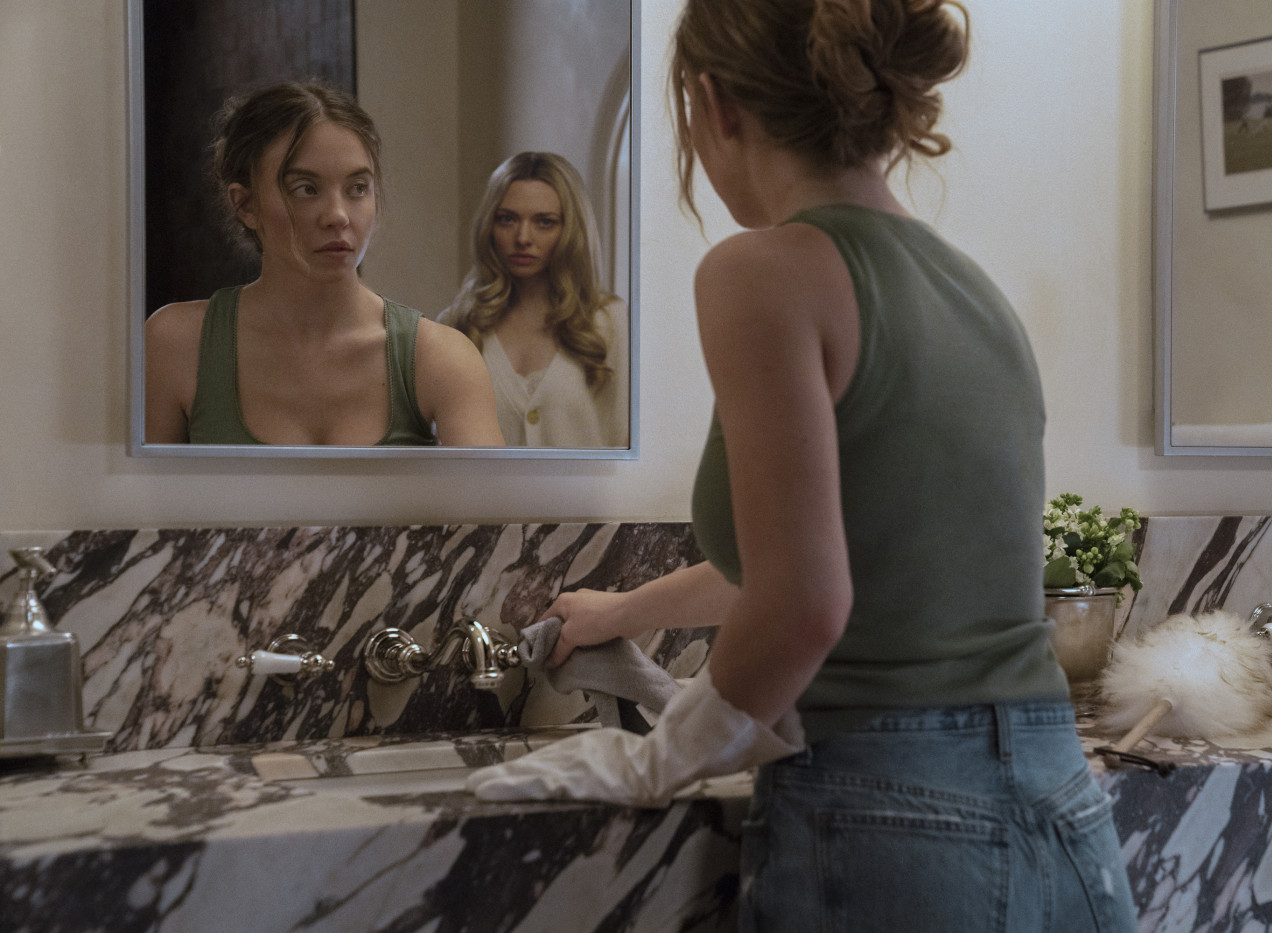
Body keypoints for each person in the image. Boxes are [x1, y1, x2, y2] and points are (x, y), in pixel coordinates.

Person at [465, 2, 1136, 931]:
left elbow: (805, 603)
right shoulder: (975, 291)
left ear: (713, 104)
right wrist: (622, 614)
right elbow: (838, 554)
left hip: (895, 815)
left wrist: (660, 757)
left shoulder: (760, 271)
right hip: (1063, 813)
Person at [145, 80, 504, 447]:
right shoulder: (177, 345)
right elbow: (128, 484)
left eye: (357, 188)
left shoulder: (439, 357)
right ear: (246, 205)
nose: (338, 216)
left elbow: (489, 487)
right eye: (306, 189)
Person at [439, 152, 628, 448]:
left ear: (570, 230)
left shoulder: (611, 322)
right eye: (507, 219)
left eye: (545, 222)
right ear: (489, 225)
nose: (523, 238)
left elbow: (625, 444)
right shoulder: (456, 326)